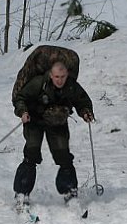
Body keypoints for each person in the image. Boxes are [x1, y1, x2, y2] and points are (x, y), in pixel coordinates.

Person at [12, 61, 94, 206]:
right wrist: (23, 111)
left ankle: (69, 191)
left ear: (67, 74)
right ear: (51, 75)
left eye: (62, 76)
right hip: (34, 120)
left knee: (63, 155)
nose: (60, 80)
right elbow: (21, 98)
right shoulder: (38, 83)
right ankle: (21, 192)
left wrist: (86, 112)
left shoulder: (71, 85)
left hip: (57, 121)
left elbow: (82, 100)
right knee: (31, 153)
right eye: (56, 76)